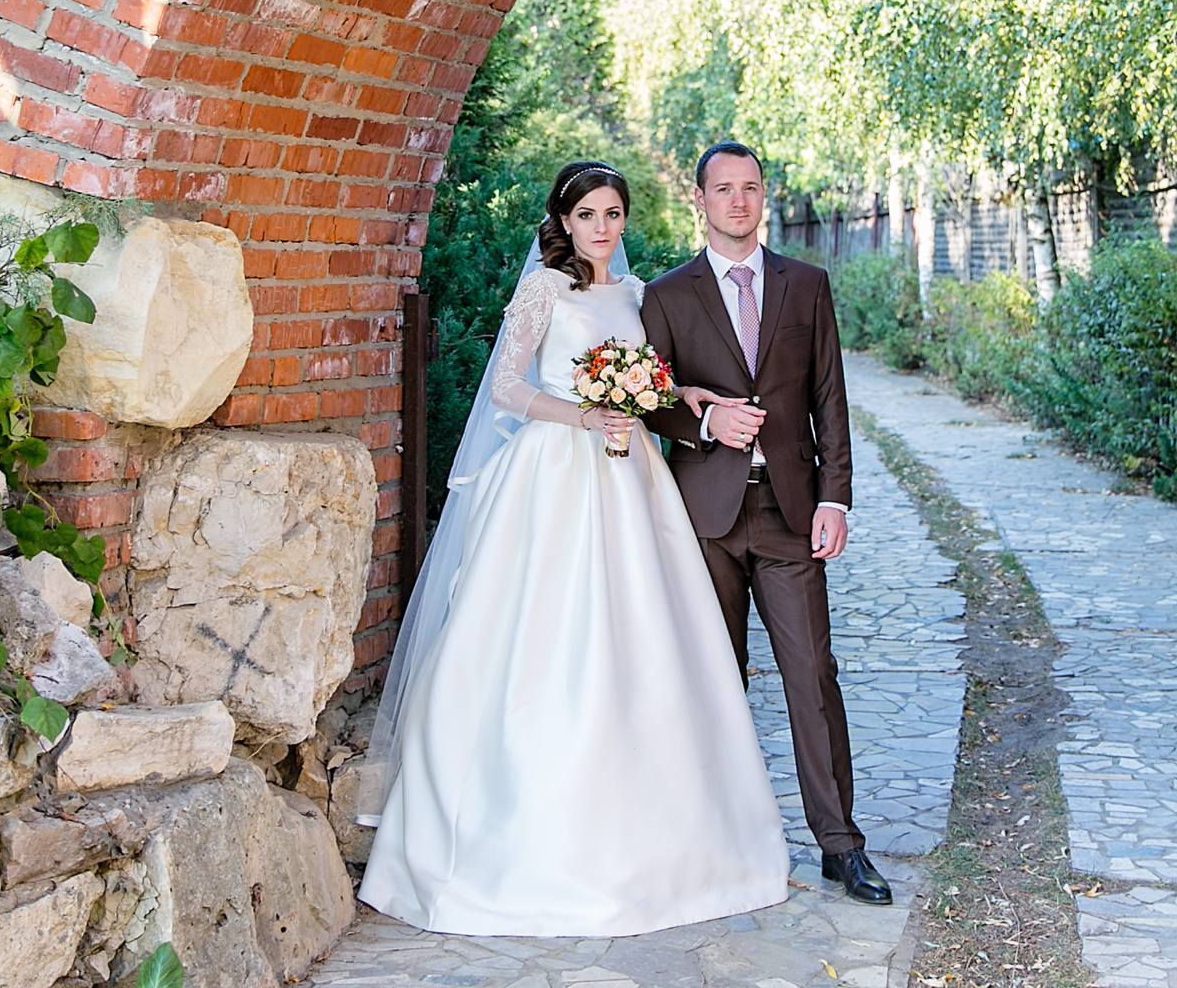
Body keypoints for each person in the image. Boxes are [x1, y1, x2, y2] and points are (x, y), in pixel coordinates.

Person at [357, 160, 790, 937]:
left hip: (633, 479)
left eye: (614, 213)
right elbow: (507, 389)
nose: (602, 227)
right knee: (541, 636)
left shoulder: (638, 294)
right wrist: (582, 417)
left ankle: (677, 831)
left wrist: (674, 396)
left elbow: (655, 385)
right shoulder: (543, 292)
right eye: (588, 214)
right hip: (556, 472)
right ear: (562, 222)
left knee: (649, 638)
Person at [640, 140, 893, 906]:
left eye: (751, 189)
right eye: (724, 190)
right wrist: (707, 424)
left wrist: (834, 497)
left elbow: (831, 399)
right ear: (700, 200)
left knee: (812, 675)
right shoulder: (666, 296)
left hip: (789, 513)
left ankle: (840, 846)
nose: (739, 202)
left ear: (764, 197)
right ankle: (712, 837)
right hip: (706, 517)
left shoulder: (806, 285)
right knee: (714, 680)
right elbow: (649, 403)